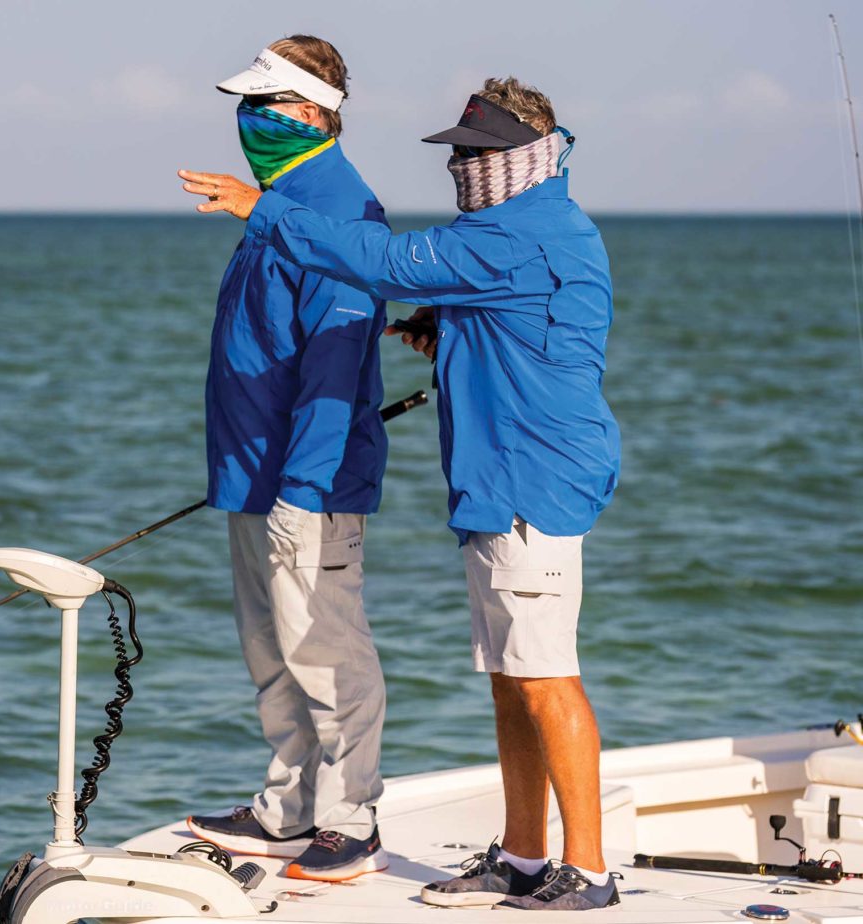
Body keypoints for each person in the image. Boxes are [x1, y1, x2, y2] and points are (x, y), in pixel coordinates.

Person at [180, 77, 622, 911]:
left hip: (534, 485)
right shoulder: (511, 232)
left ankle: (589, 871)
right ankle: (524, 858)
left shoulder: (518, 235)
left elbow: (382, 260)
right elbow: (508, 314)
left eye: (474, 153)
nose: (460, 166)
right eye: (458, 152)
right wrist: (446, 326)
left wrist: (259, 208)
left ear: (519, 156)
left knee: (547, 678)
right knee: (509, 677)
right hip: (498, 484)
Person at [184, 35, 390, 883]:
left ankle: (353, 820)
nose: (247, 119)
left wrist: (303, 490)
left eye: (264, 105)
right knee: (272, 652)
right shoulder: (277, 197)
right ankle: (288, 811)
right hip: (250, 473)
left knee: (324, 647)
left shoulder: (339, 208)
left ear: (312, 113)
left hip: (306, 482)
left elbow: (332, 366)